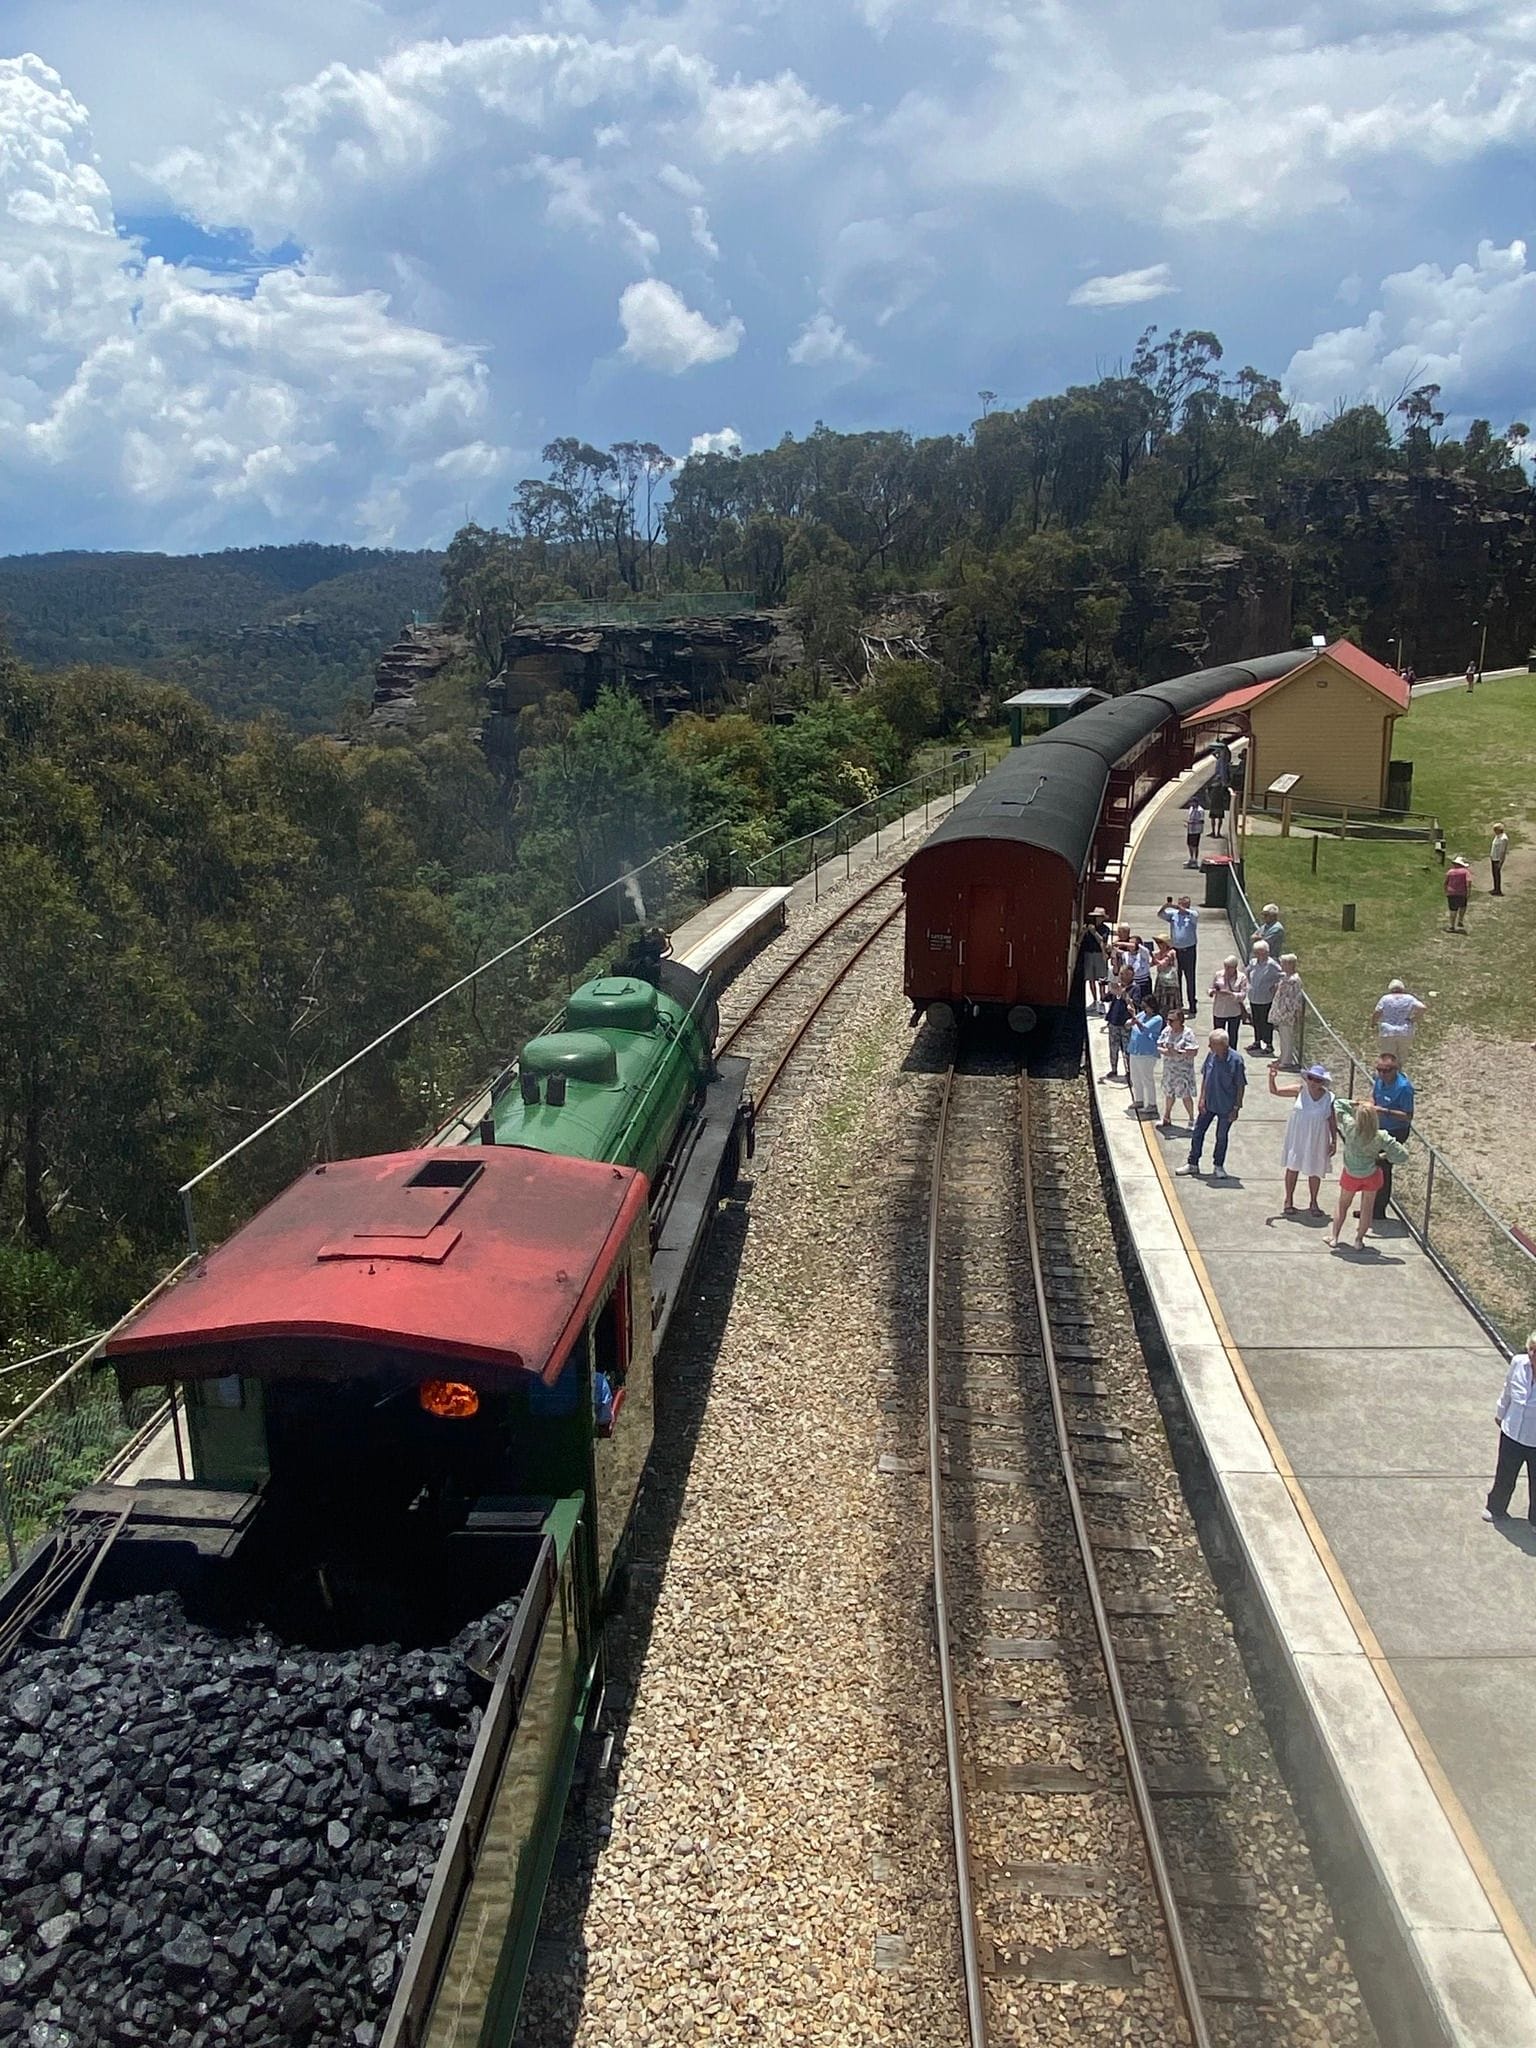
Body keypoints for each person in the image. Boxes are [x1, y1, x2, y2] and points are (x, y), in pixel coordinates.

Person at [1327, 1100, 1409, 1249]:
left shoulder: (1350, 1127)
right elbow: (1402, 1155)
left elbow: (1338, 1104)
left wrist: (1356, 1102)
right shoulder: (1380, 1136)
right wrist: (1385, 1157)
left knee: (1342, 1205)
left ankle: (1334, 1237)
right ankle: (1359, 1240)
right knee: (1367, 1208)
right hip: (1371, 1174)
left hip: (1351, 1173)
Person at [1269, 1062, 1336, 1216]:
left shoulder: (1328, 1097)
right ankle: (1288, 1200)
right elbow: (1275, 1091)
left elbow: (1332, 1120)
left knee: (1316, 1169)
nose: (1313, 1082)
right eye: (1311, 1078)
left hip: (1318, 1137)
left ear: (1323, 1082)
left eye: (1318, 1080)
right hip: (1298, 1135)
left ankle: (1313, 1201)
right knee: (1293, 1167)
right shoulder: (1300, 1091)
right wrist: (1272, 1078)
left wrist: (1334, 1141)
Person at [1483, 1334, 1536, 1524]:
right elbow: (1507, 1391)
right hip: (1512, 1431)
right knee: (1505, 1474)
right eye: (1532, 1349)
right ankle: (1495, 1508)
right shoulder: (1518, 1363)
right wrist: (1500, 1413)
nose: (1533, 1355)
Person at [1185, 1030, 1246, 1180]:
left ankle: (1218, 1165)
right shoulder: (1211, 1055)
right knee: (1198, 1132)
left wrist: (1236, 1107)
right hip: (1209, 1103)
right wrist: (1202, 1099)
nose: (1209, 1046)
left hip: (1227, 1106)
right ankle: (1193, 1163)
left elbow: (1240, 1086)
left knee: (1221, 1136)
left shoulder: (1236, 1060)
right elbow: (1206, 1076)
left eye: (1212, 1044)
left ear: (1223, 1045)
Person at [1370, 1050, 1414, 1216]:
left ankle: (1379, 1209)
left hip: (1396, 1131)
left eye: (1386, 1070)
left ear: (1395, 1069)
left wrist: (1385, 1111)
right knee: (1373, 1166)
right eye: (1379, 1070)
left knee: (1383, 1167)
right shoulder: (1379, 1080)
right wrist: (1372, 1106)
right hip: (1379, 1128)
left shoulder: (1404, 1088)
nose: (1382, 1074)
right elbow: (1374, 1095)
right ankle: (1370, 1205)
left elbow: (1408, 1116)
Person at [1157, 1007, 1198, 1130]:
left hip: (1183, 1070)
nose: (1169, 1023)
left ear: (1180, 1021)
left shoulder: (1187, 1033)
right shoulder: (1167, 1031)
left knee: (1186, 1096)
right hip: (1170, 1069)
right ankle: (1167, 1117)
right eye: (1168, 1020)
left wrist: (1179, 1052)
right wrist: (1166, 1051)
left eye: (1172, 1020)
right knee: (1169, 1094)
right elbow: (1159, 1045)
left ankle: (1191, 1119)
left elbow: (1194, 1050)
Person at [1372, 978, 1427, 1066]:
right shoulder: (1409, 998)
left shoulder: (1385, 999)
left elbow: (1377, 1012)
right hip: (1405, 1031)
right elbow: (1423, 1008)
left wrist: (1373, 1022)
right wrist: (1414, 1019)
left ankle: (1387, 1075)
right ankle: (1398, 1074)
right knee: (1401, 1056)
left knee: (1388, 1056)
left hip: (1388, 1031)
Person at [1158, 895, 1200, 1010]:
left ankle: (1192, 1002)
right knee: (1177, 977)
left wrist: (1183, 909)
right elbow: (1160, 914)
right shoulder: (1173, 914)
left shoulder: (1192, 914)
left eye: (1185, 904)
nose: (1181, 906)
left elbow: (1194, 916)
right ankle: (1179, 1002)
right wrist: (1167, 906)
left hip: (1189, 950)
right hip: (1176, 951)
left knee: (1190, 977)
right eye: (1180, 903)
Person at [1127, 1002, 1163, 1117]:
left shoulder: (1157, 1019)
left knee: (1147, 1078)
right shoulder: (1142, 1014)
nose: (1145, 1009)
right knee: (1135, 1076)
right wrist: (1132, 1020)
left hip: (1147, 1052)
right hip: (1135, 1050)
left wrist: (1134, 1016)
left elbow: (1144, 1029)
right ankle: (1139, 1100)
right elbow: (1129, 1024)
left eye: (1146, 1006)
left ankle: (1152, 1104)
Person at [1245, 940, 1281, 1054]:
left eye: (1261, 952)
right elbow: (1247, 972)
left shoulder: (1272, 965)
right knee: (1256, 1020)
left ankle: (1269, 1044)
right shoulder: (1253, 962)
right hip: (1254, 997)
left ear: (1266, 952)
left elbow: (1282, 976)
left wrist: (1276, 987)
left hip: (1266, 998)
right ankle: (1257, 1041)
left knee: (1266, 1022)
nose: (1258, 955)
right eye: (1256, 952)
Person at [1271, 954, 1305, 1071]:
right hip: (1281, 1012)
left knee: (1287, 1037)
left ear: (1290, 964)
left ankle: (1286, 1061)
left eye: (1284, 963)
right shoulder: (1285, 977)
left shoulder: (1294, 980)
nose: (1282, 966)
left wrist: (1295, 1013)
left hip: (1288, 1013)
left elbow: (1295, 998)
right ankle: (1282, 1057)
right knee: (1282, 1036)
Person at [1103, 970, 1135, 1083]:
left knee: (1127, 1049)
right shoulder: (1117, 988)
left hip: (1125, 1023)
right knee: (1113, 1047)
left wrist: (1124, 994)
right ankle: (1114, 1069)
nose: (1122, 977)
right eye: (1121, 974)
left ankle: (1130, 1071)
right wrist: (1109, 989)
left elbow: (1135, 1003)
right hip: (1113, 1021)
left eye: (1126, 975)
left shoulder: (1134, 988)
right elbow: (1105, 998)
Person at [1208, 956, 1248, 1040]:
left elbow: (1243, 995)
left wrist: (1230, 994)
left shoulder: (1242, 977)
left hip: (1233, 1011)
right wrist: (1212, 992)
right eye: (1225, 966)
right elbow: (1211, 987)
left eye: (1229, 968)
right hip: (1219, 1011)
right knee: (1218, 1037)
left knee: (1232, 1037)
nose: (1227, 969)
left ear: (1235, 967)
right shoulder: (1218, 974)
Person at [1079, 914, 1109, 1012]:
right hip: (1088, 953)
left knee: (1101, 979)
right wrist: (1084, 931)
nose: (1097, 919)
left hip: (1099, 954)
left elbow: (1102, 940)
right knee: (1091, 978)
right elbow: (1081, 940)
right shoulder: (1088, 926)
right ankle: (1094, 1001)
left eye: (1099, 917)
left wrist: (1094, 932)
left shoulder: (1105, 929)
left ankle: (1102, 1001)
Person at [1151, 938, 1182, 1017]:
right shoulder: (1159, 953)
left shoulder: (1171, 952)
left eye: (1161, 942)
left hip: (1170, 982)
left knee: (1170, 1001)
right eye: (1157, 942)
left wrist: (1154, 958)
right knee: (1160, 1000)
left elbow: (1162, 964)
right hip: (1161, 981)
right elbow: (1151, 964)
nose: (1158, 944)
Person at [1445, 856, 1471, 931]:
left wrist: (1446, 891)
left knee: (1453, 910)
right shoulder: (1466, 872)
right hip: (1462, 893)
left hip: (1451, 893)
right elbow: (1468, 882)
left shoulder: (1450, 872)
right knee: (1463, 906)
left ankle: (1452, 926)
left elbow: (1446, 882)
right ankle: (1460, 920)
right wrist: (1468, 891)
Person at [1185, 797, 1205, 867]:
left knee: (1195, 846)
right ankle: (1191, 859)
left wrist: (1192, 822)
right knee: (1189, 844)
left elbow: (1202, 821)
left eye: (1192, 802)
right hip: (1190, 829)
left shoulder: (1200, 810)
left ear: (1196, 803)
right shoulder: (1191, 809)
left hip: (1196, 830)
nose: (1191, 804)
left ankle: (1195, 860)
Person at [1490, 824, 1510, 898]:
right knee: (1494, 874)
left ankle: (1498, 890)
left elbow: (1502, 851)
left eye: (1495, 830)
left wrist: (1501, 861)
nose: (1494, 831)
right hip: (1494, 858)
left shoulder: (1503, 839)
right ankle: (1495, 888)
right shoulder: (1497, 837)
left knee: (1497, 875)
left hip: (1498, 859)